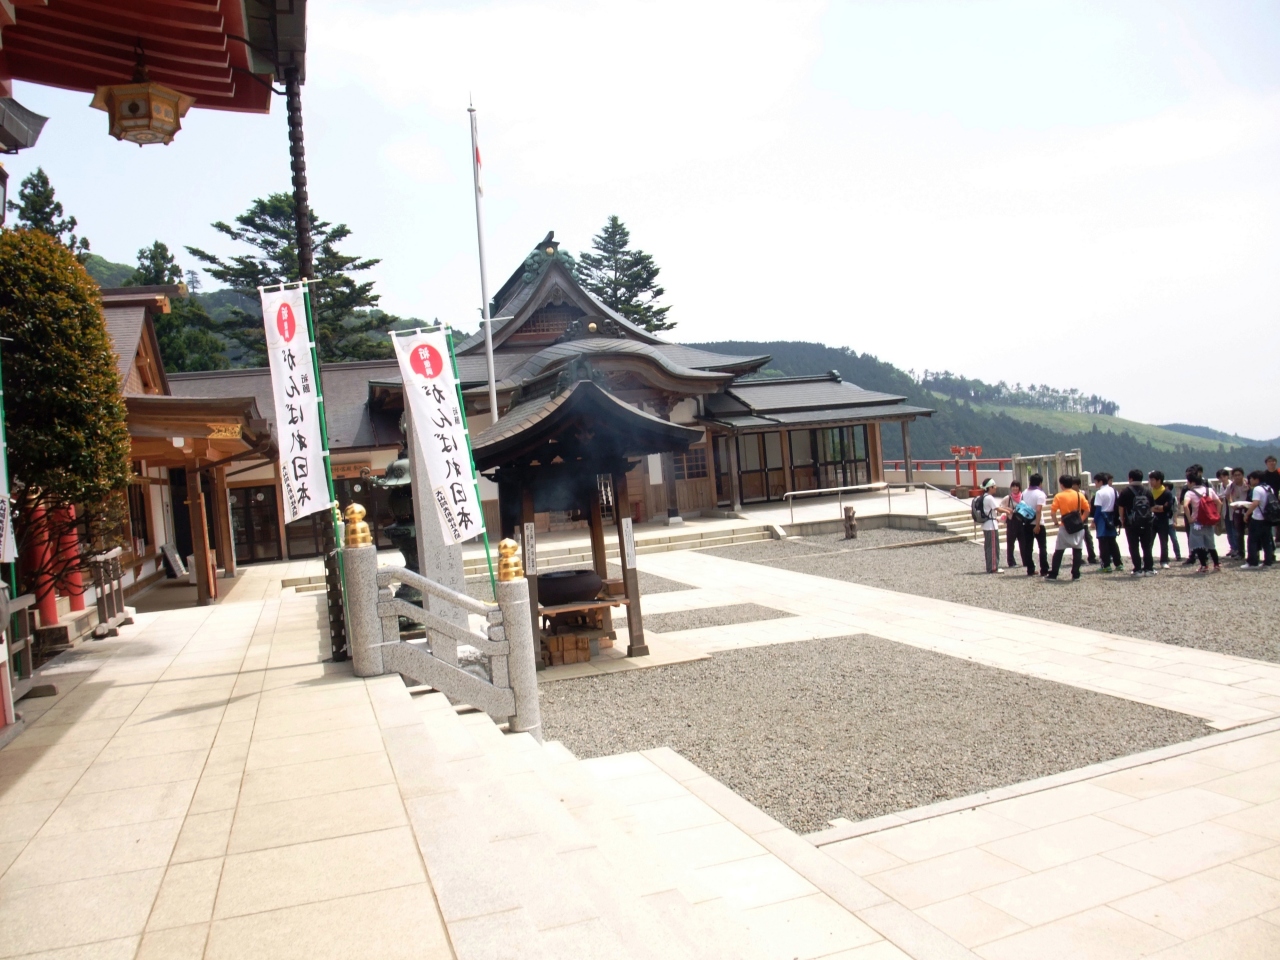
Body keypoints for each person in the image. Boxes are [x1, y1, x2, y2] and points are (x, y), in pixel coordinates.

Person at [1048, 474, 1089, 580]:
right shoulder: (1079, 495)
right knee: (1077, 550)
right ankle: (1076, 574)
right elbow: (1087, 509)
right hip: (1078, 526)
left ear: (1061, 484)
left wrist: (1056, 522)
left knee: (1059, 550)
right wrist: (1081, 519)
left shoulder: (1059, 496)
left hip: (1065, 526)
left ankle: (1054, 574)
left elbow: (1053, 512)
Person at [1116, 469, 1156, 576]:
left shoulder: (1125, 491)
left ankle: (1137, 569)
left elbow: (1121, 507)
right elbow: (1152, 507)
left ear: (1130, 478)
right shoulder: (1147, 491)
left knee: (1133, 546)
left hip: (1131, 523)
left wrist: (1122, 519)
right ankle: (1149, 569)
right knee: (1147, 546)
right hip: (1146, 522)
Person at [1183, 468, 1222, 572]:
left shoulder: (1189, 493)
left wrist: (1189, 518)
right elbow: (1219, 503)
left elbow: (1185, 505)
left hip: (1197, 521)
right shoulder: (1209, 490)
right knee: (1211, 544)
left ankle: (1204, 566)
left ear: (1192, 482)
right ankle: (1216, 564)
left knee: (1198, 545)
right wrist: (1216, 515)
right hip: (1209, 520)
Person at [1242, 470, 1276, 569]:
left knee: (1252, 540)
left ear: (1256, 479)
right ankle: (1268, 562)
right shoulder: (1269, 488)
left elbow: (1255, 503)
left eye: (1251, 479)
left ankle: (1252, 562)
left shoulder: (1257, 489)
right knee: (1266, 541)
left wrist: (1247, 514)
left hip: (1257, 518)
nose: (1250, 481)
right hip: (1267, 518)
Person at [1019, 473, 1050, 577]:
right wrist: (1037, 525)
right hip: (1038, 523)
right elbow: (1038, 510)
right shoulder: (1040, 494)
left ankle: (1030, 569)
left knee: (1028, 547)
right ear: (1040, 483)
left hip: (1026, 523)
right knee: (1042, 547)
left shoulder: (1024, 492)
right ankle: (1044, 569)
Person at [1149, 470, 1180, 568]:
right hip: (1151, 520)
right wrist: (1159, 507)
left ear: (1159, 480)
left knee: (1164, 541)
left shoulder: (1167, 493)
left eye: (1152, 480)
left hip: (1163, 520)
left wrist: (1156, 508)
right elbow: (1149, 507)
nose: (1150, 482)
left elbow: (1167, 507)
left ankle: (1164, 561)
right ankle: (1148, 560)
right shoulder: (1150, 492)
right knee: (1149, 541)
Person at [1091, 473, 1121, 572]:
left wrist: (1094, 521)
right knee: (1112, 542)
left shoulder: (1099, 493)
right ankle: (1118, 563)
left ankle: (1106, 565)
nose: (1095, 483)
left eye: (1096, 481)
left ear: (1100, 482)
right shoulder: (1114, 491)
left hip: (1102, 518)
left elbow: (1098, 509)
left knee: (1103, 542)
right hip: (1112, 517)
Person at [976, 478, 1005, 573]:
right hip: (991, 526)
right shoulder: (989, 498)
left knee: (989, 547)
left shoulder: (983, 497)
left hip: (987, 525)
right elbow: (998, 509)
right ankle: (993, 567)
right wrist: (1008, 511)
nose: (996, 487)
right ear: (990, 487)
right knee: (993, 547)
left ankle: (991, 566)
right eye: (994, 486)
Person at [1223, 467, 1249, 559]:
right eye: (1235, 475)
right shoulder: (1231, 486)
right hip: (1237, 511)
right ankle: (1240, 553)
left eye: (1239, 475)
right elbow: (1227, 494)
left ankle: (1253, 553)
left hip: (1248, 510)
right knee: (1238, 533)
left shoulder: (1247, 484)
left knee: (1251, 533)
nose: (1237, 477)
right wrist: (1231, 503)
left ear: (1242, 475)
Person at [1001, 480, 1025, 570]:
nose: (1015, 488)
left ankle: (1025, 561)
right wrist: (1009, 510)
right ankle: (1011, 562)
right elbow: (1000, 507)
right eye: (1013, 486)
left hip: (1022, 522)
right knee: (1010, 543)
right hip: (1011, 522)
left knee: (1023, 543)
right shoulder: (1008, 498)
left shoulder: (1023, 497)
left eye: (1017, 486)